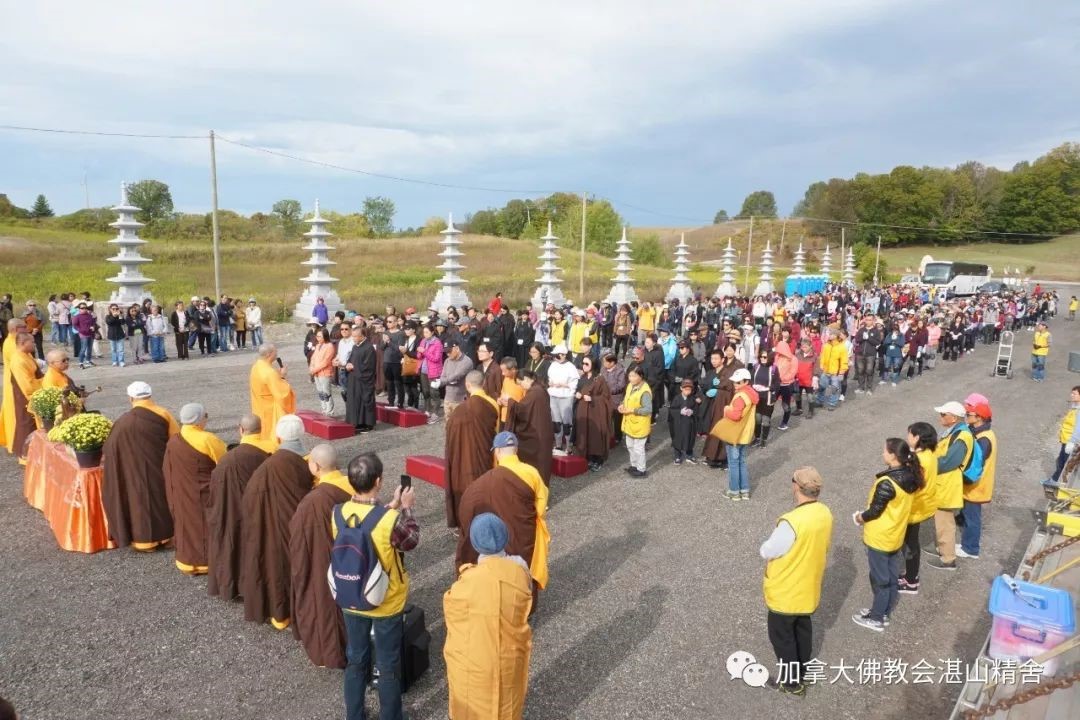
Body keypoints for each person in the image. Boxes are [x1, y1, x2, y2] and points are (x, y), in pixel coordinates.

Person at [336, 452, 419, 720]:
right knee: (387, 663)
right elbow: (410, 540)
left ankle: (355, 715)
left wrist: (390, 506)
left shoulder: (337, 513)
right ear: (379, 481)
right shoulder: (389, 520)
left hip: (351, 594)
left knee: (356, 659)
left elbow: (364, 524)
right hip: (385, 600)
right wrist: (405, 508)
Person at [444, 513, 533, 719]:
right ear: (505, 537)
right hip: (508, 656)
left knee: (471, 705)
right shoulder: (519, 568)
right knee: (506, 703)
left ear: (475, 544)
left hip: (474, 663)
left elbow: (452, 610)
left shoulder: (466, 579)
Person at [760, 467, 833, 695]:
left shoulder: (791, 521)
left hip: (787, 590)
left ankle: (791, 683)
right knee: (803, 630)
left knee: (783, 638)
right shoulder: (824, 512)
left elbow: (768, 550)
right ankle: (803, 671)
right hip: (808, 585)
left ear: (796, 486)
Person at [456, 432, 549, 601]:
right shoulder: (531, 473)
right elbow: (541, 508)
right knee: (523, 567)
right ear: (516, 450)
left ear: (497, 452)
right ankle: (523, 605)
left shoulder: (483, 483)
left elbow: (467, 504)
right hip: (523, 534)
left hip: (496, 535)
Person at [241, 415, 313, 630]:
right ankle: (309, 612)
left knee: (278, 568)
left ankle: (282, 615)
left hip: (276, 526)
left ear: (278, 436)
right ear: (302, 433)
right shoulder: (313, 461)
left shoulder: (268, 466)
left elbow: (250, 499)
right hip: (306, 527)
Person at [288, 443, 353, 669]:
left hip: (328, 563)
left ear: (315, 467)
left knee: (326, 603)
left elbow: (298, 542)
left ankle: (334, 651)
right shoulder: (355, 486)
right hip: (356, 561)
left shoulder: (312, 503)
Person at [852, 438, 920, 631]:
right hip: (895, 534)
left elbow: (874, 511)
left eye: (885, 451)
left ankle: (876, 617)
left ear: (892, 455)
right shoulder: (911, 476)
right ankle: (883, 612)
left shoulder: (887, 482)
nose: (882, 453)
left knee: (880, 579)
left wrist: (859, 518)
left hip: (880, 536)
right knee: (890, 575)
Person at [101, 381, 179, 551]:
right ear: (150, 395)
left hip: (132, 470)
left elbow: (110, 447)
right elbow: (175, 438)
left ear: (130, 398)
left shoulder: (123, 421)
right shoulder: (163, 413)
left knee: (138, 501)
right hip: (158, 465)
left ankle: (143, 541)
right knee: (160, 499)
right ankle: (166, 537)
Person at [207, 414, 271, 600]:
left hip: (234, 510)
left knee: (235, 544)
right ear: (262, 429)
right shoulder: (272, 450)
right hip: (263, 511)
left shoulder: (228, 460)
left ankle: (235, 583)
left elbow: (217, 487)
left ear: (241, 430)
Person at [163, 403, 226, 576]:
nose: (206, 418)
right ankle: (206, 562)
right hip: (203, 493)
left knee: (186, 525)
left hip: (182, 493)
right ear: (198, 421)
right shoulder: (207, 439)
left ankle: (186, 561)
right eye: (205, 415)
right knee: (205, 526)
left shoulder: (174, 440)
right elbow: (224, 465)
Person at [445, 370, 500, 530]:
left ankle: (465, 521)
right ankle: (485, 521)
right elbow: (495, 432)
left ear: (467, 385)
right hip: (485, 456)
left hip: (463, 459)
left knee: (465, 486)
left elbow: (451, 438)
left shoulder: (458, 412)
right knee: (485, 487)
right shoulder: (492, 404)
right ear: (484, 384)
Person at [925, 401, 975, 572]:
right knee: (942, 522)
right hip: (943, 485)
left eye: (943, 414)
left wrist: (926, 464)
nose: (940, 417)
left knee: (945, 523)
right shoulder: (955, 432)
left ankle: (948, 559)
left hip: (947, 487)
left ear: (953, 418)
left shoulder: (962, 436)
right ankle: (942, 549)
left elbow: (948, 462)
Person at [899, 422, 938, 595]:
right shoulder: (929, 454)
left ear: (917, 437)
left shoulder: (919, 460)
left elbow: (911, 485)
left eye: (910, 434)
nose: (907, 437)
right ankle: (909, 575)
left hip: (914, 507)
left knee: (910, 545)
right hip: (923, 505)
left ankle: (911, 581)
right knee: (911, 542)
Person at [958, 399, 996, 560]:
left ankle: (971, 548)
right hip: (975, 485)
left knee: (972, 518)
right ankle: (967, 543)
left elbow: (975, 464)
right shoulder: (981, 433)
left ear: (979, 417)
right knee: (968, 515)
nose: (966, 416)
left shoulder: (984, 438)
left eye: (969, 414)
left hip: (976, 486)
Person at [505, 369, 555, 486]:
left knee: (537, 465)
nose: (522, 387)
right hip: (542, 432)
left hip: (537, 434)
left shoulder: (535, 392)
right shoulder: (539, 389)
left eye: (521, 383)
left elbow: (522, 410)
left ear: (527, 379)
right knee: (541, 465)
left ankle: (536, 492)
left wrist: (510, 401)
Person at [701, 345, 744, 468]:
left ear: (722, 359)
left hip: (723, 404)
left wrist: (718, 389)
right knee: (713, 429)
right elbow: (704, 386)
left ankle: (722, 459)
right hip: (712, 404)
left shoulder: (729, 371)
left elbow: (730, 388)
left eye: (716, 359)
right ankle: (712, 457)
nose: (713, 361)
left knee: (722, 430)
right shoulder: (711, 372)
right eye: (712, 359)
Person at [720, 368, 759, 501]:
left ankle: (734, 491)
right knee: (741, 462)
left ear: (746, 381)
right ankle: (744, 490)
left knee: (733, 464)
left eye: (738, 382)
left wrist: (726, 409)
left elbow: (735, 415)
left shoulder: (740, 396)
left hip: (735, 434)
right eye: (734, 382)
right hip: (745, 434)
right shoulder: (751, 394)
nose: (735, 384)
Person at [249, 344, 297, 448]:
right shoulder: (269, 372)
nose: (277, 354)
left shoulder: (256, 366)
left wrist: (278, 376)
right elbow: (282, 394)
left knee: (261, 431)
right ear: (270, 354)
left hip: (259, 405)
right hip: (270, 410)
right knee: (271, 433)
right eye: (275, 352)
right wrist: (283, 377)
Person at [573, 356, 614, 471]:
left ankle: (598, 460)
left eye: (587, 364)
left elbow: (606, 397)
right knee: (584, 433)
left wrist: (593, 399)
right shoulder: (582, 377)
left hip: (595, 412)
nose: (583, 366)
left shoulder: (599, 379)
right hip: (583, 409)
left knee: (595, 435)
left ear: (594, 365)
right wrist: (577, 394)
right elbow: (578, 389)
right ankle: (588, 457)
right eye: (583, 363)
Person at [4, 334, 41, 462]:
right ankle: (25, 455)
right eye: (32, 342)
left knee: (31, 425)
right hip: (25, 396)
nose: (34, 344)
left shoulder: (26, 354)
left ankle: (33, 453)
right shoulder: (18, 360)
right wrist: (44, 382)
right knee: (26, 424)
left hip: (31, 391)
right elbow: (28, 385)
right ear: (23, 343)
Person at [618, 365, 652, 478]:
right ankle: (634, 465)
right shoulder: (630, 386)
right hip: (630, 422)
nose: (630, 378)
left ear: (640, 376)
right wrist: (622, 405)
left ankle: (641, 469)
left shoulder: (645, 391)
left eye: (633, 376)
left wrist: (632, 410)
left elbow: (648, 409)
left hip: (640, 424)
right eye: (629, 376)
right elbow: (626, 398)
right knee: (630, 446)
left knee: (638, 448)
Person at [547, 343, 579, 454]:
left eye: (557, 355)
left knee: (566, 422)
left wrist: (564, 385)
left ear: (563, 355)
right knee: (556, 421)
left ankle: (568, 446)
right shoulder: (553, 365)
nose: (555, 358)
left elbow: (574, 383)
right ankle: (558, 444)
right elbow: (549, 378)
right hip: (554, 395)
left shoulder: (571, 366)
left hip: (566, 396)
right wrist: (550, 383)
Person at [1048, 386, 1080, 486]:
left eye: (1074, 394)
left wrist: (1072, 442)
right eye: (1072, 393)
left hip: (1071, 442)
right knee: (1061, 461)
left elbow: (1078, 428)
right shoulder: (1075, 407)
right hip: (1065, 440)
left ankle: (1058, 484)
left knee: (1065, 464)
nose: (1071, 395)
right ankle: (1054, 481)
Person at [439, 339, 474, 418]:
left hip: (461, 399)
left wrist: (445, 381)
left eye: (450, 351)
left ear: (457, 349)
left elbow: (457, 375)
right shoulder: (447, 361)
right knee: (448, 424)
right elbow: (442, 377)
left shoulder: (467, 361)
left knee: (460, 425)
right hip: (448, 398)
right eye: (446, 352)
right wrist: (446, 381)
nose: (448, 354)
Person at [668, 379, 701, 464]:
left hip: (690, 423)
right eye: (685, 389)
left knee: (690, 438)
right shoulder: (677, 398)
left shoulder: (692, 398)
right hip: (679, 424)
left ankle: (689, 454)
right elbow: (672, 410)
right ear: (681, 388)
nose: (687, 391)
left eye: (689, 389)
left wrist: (692, 411)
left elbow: (696, 408)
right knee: (678, 439)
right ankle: (677, 455)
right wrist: (679, 411)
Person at [307, 328, 336, 416]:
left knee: (326, 392)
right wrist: (311, 367)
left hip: (325, 372)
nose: (317, 338)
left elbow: (326, 362)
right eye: (317, 336)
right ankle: (324, 409)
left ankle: (329, 411)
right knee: (320, 392)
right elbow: (313, 358)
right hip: (316, 373)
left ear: (325, 336)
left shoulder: (330, 346)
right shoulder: (318, 345)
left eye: (320, 336)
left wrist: (314, 370)